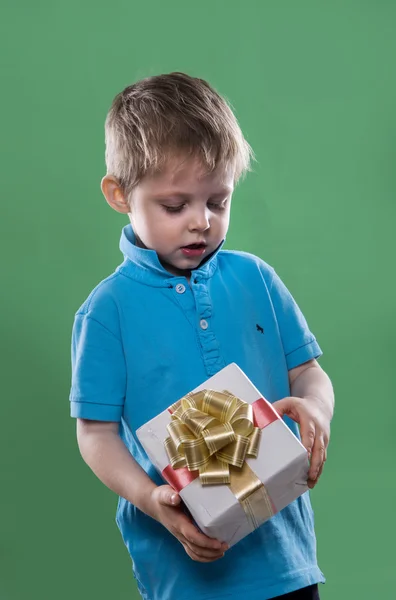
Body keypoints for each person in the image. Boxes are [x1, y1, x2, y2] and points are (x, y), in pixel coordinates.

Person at [69, 72, 334, 600]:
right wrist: (151, 498)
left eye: (218, 201)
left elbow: (309, 374)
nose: (201, 223)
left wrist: (317, 410)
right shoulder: (107, 311)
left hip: (286, 559)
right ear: (119, 194)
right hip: (184, 569)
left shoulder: (256, 277)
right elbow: (95, 435)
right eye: (175, 206)